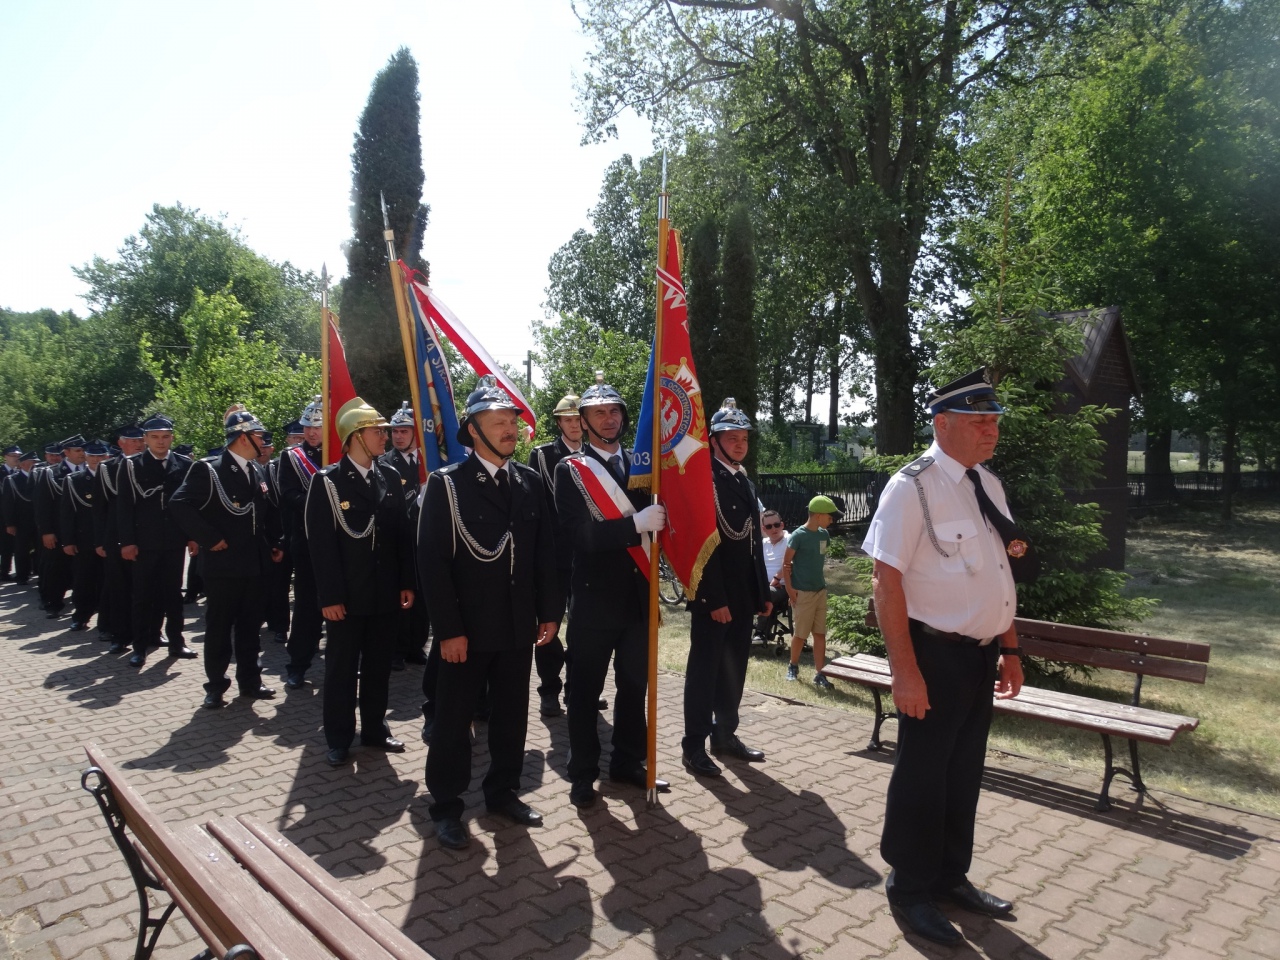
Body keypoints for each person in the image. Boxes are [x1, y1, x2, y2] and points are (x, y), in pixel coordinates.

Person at [861, 368, 1024, 946]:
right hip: (933, 657)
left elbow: (1000, 572)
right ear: (942, 423)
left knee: (963, 773)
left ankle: (951, 876)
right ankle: (909, 886)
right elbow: (885, 582)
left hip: (980, 658)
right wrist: (904, 671)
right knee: (923, 775)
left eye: (994, 420)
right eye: (979, 420)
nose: (991, 429)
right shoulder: (913, 487)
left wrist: (1009, 648)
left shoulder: (988, 484)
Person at [419, 376, 563, 849]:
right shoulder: (447, 486)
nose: (508, 430)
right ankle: (446, 806)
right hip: (466, 631)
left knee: (511, 716)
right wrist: (448, 630)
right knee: (454, 719)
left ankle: (502, 792)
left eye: (511, 422)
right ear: (473, 433)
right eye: (497, 423)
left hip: (518, 626)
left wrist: (549, 612)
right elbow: (433, 564)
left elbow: (546, 553)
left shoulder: (530, 482)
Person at [554, 373, 668, 808]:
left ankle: (627, 762)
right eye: (598, 412)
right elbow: (577, 536)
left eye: (614, 410)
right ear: (582, 421)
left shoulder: (645, 467)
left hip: (638, 598)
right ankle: (583, 773)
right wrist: (632, 526)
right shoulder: (572, 471)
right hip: (593, 598)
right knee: (584, 692)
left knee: (634, 687)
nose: (608, 418)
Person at [304, 397, 415, 766]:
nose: (384, 437)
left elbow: (401, 537)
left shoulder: (390, 479)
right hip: (347, 596)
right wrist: (330, 595)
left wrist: (406, 582)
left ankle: (374, 728)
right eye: (377, 431)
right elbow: (321, 547)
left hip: (384, 592)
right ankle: (338, 736)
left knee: (378, 666)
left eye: (384, 431)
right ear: (355, 436)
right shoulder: (329, 483)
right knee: (340, 668)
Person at [681, 399, 772, 778]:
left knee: (734, 669)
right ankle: (694, 746)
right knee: (705, 673)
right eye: (731, 438)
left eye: (743, 439)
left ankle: (725, 736)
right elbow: (698, 541)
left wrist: (762, 592)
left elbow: (753, 544)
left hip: (743, 593)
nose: (739, 444)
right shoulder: (704, 480)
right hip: (714, 596)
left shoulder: (743, 481)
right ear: (713, 441)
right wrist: (713, 598)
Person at [170, 410, 284, 708]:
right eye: (259, 436)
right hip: (223, 565)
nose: (264, 441)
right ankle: (216, 686)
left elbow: (263, 513)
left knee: (250, 627)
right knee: (219, 628)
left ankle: (251, 681)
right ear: (243, 437)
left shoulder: (257, 470)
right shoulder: (209, 470)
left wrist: (274, 543)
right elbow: (179, 503)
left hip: (254, 563)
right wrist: (208, 538)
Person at [116, 415, 198, 667]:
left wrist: (193, 535)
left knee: (173, 595)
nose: (160, 442)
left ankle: (176, 641)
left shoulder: (183, 464)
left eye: (165, 436)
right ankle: (139, 646)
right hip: (144, 542)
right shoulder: (131, 466)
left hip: (174, 540)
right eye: (155, 437)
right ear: (145, 440)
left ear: (172, 437)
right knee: (142, 595)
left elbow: (192, 504)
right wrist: (127, 541)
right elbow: (124, 507)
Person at [525, 393, 583, 717]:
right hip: (553, 559)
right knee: (548, 628)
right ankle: (549, 689)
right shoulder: (543, 456)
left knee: (583, 629)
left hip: (588, 559)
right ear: (559, 422)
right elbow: (537, 508)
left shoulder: (595, 455)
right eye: (568, 420)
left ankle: (577, 688)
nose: (574, 425)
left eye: (578, 419)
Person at [379, 401, 428, 670]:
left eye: (404, 431)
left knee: (422, 600)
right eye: (395, 431)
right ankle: (395, 650)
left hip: (423, 541)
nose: (398, 436)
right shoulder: (385, 464)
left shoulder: (429, 462)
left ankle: (415, 646)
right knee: (400, 598)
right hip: (398, 541)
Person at [281, 396, 326, 688]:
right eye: (307, 426)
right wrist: (319, 504)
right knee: (308, 606)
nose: (310, 432)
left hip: (339, 543)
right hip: (307, 542)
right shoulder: (292, 457)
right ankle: (298, 664)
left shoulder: (339, 452)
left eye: (317, 426)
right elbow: (288, 494)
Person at [96, 425, 146, 652]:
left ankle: (150, 632)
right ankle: (120, 635)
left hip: (147, 536)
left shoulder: (151, 464)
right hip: (116, 537)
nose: (139, 444)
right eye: (132, 440)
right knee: (119, 589)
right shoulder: (107, 468)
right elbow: (99, 509)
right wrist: (100, 541)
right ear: (120, 443)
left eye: (140, 440)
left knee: (148, 589)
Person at [781, 495, 839, 687]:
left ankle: (820, 673)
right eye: (830, 516)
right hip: (803, 593)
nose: (832, 520)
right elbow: (787, 563)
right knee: (800, 634)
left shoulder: (824, 535)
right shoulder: (799, 535)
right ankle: (793, 665)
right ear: (818, 516)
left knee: (820, 634)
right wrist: (790, 589)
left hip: (820, 591)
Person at [60, 440, 111, 632]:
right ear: (86, 457)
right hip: (85, 539)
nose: (97, 460)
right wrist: (68, 540)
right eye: (92, 456)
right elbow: (67, 513)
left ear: (107, 457)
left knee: (109, 582)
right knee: (84, 581)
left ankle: (107, 622)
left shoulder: (114, 477)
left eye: (101, 456)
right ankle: (81, 616)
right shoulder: (74, 480)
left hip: (110, 538)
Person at [753, 509, 790, 643]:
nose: (773, 528)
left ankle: (760, 632)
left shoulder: (790, 541)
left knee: (766, 593)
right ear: (764, 529)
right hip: (763, 585)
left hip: (783, 586)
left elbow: (791, 563)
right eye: (769, 526)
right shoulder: (762, 545)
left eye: (776, 524)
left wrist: (777, 578)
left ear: (782, 524)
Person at [2, 451, 38, 585]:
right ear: (23, 464)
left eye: (35, 462)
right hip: (21, 521)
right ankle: (22, 576)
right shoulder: (12, 480)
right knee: (21, 549)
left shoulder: (40, 477)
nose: (35, 464)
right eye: (32, 462)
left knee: (41, 549)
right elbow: (8, 503)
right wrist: (10, 523)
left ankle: (39, 573)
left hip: (39, 520)